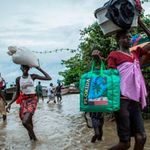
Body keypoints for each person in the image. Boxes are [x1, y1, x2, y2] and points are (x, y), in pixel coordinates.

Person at [92, 19, 150, 150]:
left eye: (129, 37)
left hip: (134, 100)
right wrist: (97, 60)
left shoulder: (135, 53)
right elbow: (110, 76)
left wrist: (140, 22)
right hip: (121, 100)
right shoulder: (114, 55)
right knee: (125, 143)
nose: (128, 39)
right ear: (118, 40)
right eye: (124, 37)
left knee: (142, 137)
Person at [6, 65, 51, 141]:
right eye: (23, 67)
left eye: (26, 67)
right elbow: (17, 93)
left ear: (29, 68)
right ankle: (32, 141)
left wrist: (39, 68)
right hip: (24, 101)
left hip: (33, 99)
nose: (25, 69)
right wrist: (10, 104)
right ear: (21, 68)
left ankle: (35, 139)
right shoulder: (18, 79)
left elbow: (49, 78)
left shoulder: (33, 76)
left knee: (25, 122)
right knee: (28, 122)